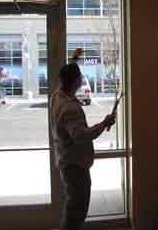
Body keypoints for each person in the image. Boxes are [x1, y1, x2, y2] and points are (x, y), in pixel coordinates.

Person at [50, 61, 115, 230]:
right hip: (75, 165)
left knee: (72, 207)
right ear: (76, 80)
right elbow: (81, 136)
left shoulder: (57, 97)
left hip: (66, 160)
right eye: (80, 76)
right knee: (77, 211)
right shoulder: (70, 107)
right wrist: (104, 123)